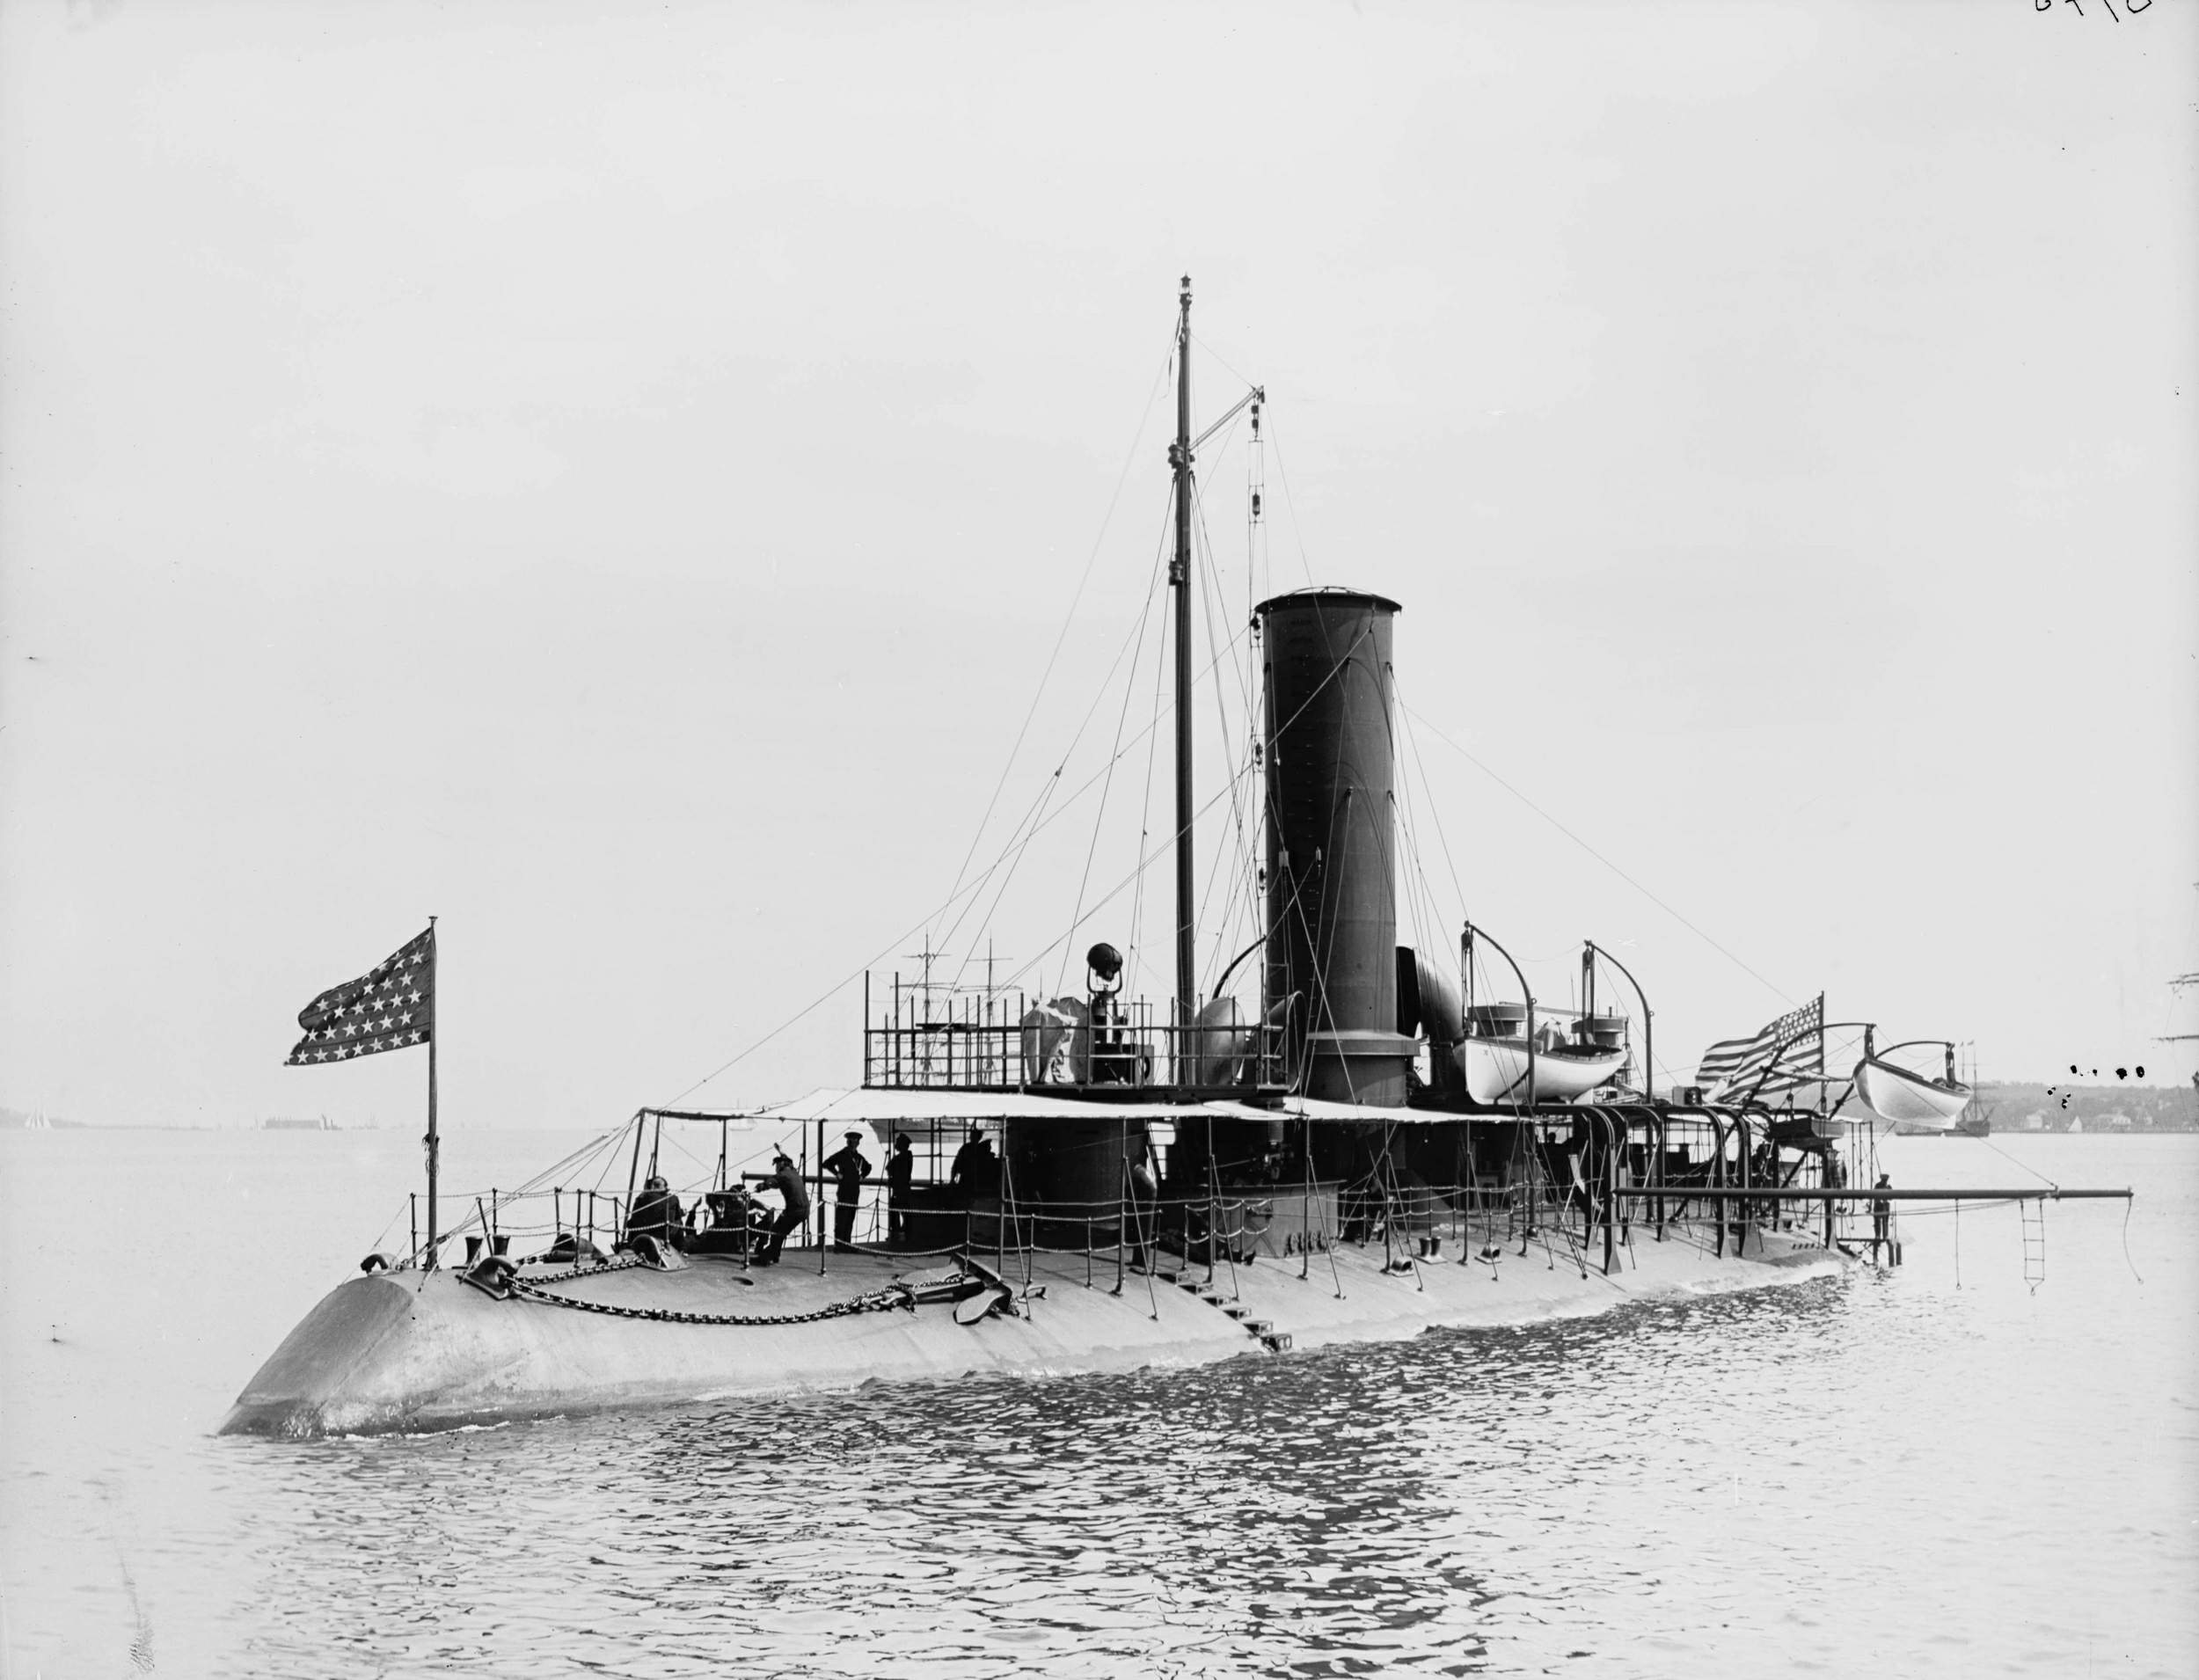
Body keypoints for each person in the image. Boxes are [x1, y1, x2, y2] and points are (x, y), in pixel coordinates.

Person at [822, 1129, 873, 1250]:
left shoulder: (858, 1157)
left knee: (850, 1217)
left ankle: (847, 1243)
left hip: (855, 1190)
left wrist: (862, 1176)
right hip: (844, 1189)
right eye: (852, 1141)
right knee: (842, 1218)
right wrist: (837, 1174)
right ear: (848, 1142)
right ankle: (839, 1244)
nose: (854, 1143)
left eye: (856, 1141)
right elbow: (827, 1163)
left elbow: (868, 1167)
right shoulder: (842, 1155)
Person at [759, 1151, 808, 1265]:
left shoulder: (783, 1175)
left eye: (777, 1165)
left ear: (781, 1165)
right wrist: (781, 1151)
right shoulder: (793, 1172)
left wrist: (761, 1187)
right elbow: (787, 1162)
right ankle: (774, 1255)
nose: (776, 1168)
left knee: (777, 1230)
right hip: (803, 1210)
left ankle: (769, 1257)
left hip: (795, 1210)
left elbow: (772, 1181)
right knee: (781, 1230)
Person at [627, 1175, 683, 1251]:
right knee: (679, 1222)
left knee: (632, 1223)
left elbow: (634, 1217)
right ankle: (679, 1249)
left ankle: (630, 1244)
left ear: (652, 1186)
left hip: (643, 1233)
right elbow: (677, 1215)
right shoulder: (673, 1198)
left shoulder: (641, 1198)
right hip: (664, 1234)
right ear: (665, 1188)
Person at [950, 1127, 998, 1200]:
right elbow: (956, 1164)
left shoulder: (966, 1148)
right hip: (973, 1181)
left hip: (968, 1180)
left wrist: (952, 1179)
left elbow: (956, 1165)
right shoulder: (974, 1149)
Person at [885, 1133, 915, 1245]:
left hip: (901, 1189)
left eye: (898, 1143)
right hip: (900, 1189)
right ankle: (898, 1235)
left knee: (901, 1212)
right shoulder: (903, 1157)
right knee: (898, 1212)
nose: (896, 1145)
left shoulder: (904, 1157)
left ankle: (899, 1236)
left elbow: (890, 1167)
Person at [1872, 1172, 1893, 1251]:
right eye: (1884, 1180)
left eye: (1885, 1180)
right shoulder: (1877, 1186)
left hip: (1885, 1207)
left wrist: (1889, 1192)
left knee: (1885, 1222)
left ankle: (1885, 1236)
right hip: (1878, 1206)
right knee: (1877, 1222)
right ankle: (1878, 1236)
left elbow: (1891, 1198)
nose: (1884, 1181)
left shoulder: (1888, 1187)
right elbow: (1874, 1195)